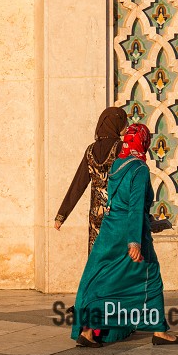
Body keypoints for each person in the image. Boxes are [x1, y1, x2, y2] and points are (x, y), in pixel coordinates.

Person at [71, 124, 178, 349]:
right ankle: (160, 331)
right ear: (143, 142)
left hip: (110, 229)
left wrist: (151, 222)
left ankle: (88, 330)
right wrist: (135, 240)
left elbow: (119, 203)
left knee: (103, 279)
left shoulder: (117, 164)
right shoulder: (140, 169)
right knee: (150, 279)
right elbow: (134, 206)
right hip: (130, 230)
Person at [55, 105, 128, 251]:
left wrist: (61, 215)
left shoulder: (90, 151)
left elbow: (78, 184)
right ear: (116, 123)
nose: (127, 126)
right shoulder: (121, 148)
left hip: (96, 216)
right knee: (118, 260)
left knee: (98, 257)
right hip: (117, 213)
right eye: (125, 122)